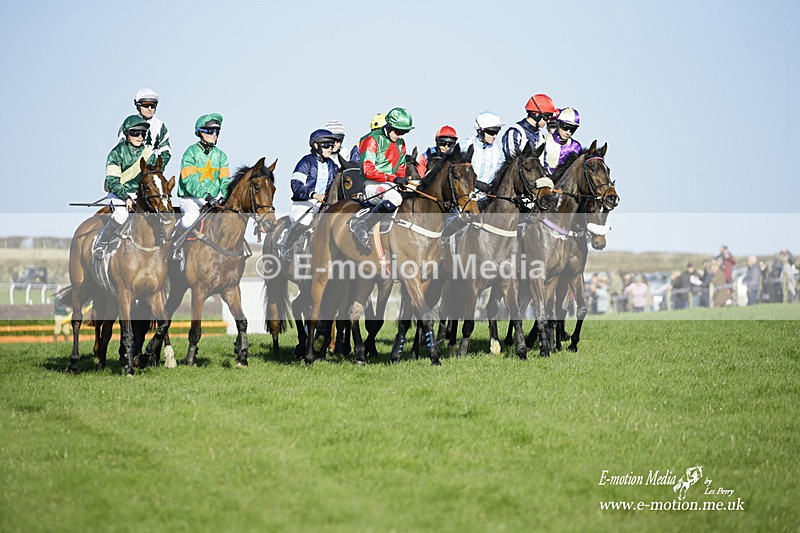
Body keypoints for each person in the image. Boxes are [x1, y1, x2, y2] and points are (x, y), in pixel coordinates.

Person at [94, 115, 157, 259]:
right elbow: (112, 181)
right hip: (118, 194)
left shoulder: (149, 154)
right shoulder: (116, 153)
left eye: (143, 134)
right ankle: (100, 244)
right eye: (136, 133)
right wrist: (126, 198)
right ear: (127, 134)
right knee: (121, 216)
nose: (140, 137)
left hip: (140, 195)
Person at [169, 113, 230, 261]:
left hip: (213, 200)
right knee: (192, 216)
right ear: (200, 132)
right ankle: (174, 246)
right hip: (191, 199)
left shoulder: (221, 156)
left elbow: (225, 181)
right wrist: (207, 196)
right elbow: (190, 181)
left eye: (217, 131)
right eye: (210, 131)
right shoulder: (190, 153)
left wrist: (227, 196)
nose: (214, 135)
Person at [350, 107, 413, 251]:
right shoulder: (371, 140)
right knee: (396, 199)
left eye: (404, 132)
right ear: (389, 125)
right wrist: (393, 178)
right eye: (398, 131)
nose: (400, 135)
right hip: (373, 185)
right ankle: (363, 226)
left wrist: (401, 179)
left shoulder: (401, 144)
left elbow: (401, 166)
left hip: (391, 184)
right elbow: (367, 170)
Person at [276, 129, 340, 260]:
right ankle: (286, 249)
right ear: (316, 146)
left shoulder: (333, 166)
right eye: (327, 145)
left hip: (324, 205)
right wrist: (314, 195)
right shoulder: (305, 162)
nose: (330, 148)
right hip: (303, 204)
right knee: (305, 221)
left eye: (332, 145)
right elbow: (296, 185)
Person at [117, 88, 171, 167]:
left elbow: (166, 150)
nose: (150, 108)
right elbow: (121, 146)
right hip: (130, 168)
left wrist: (159, 167)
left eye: (153, 106)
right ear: (138, 106)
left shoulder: (160, 125)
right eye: (146, 105)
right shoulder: (129, 122)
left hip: (152, 170)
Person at [501, 93, 558, 160]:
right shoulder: (514, 132)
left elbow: (544, 163)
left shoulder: (541, 137)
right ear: (535, 114)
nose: (548, 121)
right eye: (546, 116)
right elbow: (513, 162)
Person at [460, 112, 505, 193]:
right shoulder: (465, 145)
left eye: (497, 132)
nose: (494, 136)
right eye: (491, 132)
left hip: (488, 195)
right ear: (480, 131)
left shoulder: (497, 150)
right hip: (466, 194)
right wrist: (476, 183)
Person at [541, 107, 583, 175]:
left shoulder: (576, 146)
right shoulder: (543, 140)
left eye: (573, 129)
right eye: (565, 127)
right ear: (557, 124)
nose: (568, 132)